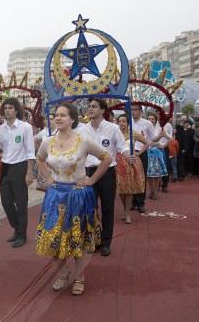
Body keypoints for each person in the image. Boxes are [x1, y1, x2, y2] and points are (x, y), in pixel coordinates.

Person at [35, 102, 111, 296]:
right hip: (55, 196)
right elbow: (40, 159)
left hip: (78, 195)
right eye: (56, 115)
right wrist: (48, 178)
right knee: (53, 237)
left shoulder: (83, 140)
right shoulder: (48, 141)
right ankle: (63, 272)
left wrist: (91, 179)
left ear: (72, 119)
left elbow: (107, 158)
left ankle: (79, 276)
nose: (58, 118)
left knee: (78, 238)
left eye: (63, 115)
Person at [77, 98, 125, 256]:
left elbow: (122, 147)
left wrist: (129, 155)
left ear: (103, 110)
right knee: (90, 208)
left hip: (107, 172)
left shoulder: (113, 128)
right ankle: (94, 239)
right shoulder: (82, 130)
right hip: (88, 172)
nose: (90, 109)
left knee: (107, 208)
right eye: (89, 106)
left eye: (94, 106)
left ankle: (106, 242)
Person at [0, 98, 35, 248]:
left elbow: (30, 151)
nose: (7, 110)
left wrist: (29, 172)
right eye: (5, 108)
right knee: (6, 202)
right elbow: (1, 148)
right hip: (5, 166)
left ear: (16, 110)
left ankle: (21, 234)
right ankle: (17, 227)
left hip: (20, 166)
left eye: (10, 108)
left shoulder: (25, 127)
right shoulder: (1, 129)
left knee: (21, 203)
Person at [115, 113, 145, 224]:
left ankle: (127, 214)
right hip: (118, 164)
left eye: (124, 121)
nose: (121, 123)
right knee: (121, 190)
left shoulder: (133, 133)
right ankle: (125, 209)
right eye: (119, 121)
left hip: (131, 163)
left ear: (128, 123)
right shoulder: (115, 133)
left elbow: (147, 143)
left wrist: (138, 153)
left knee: (129, 190)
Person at [145, 114, 168, 200]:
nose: (151, 120)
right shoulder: (145, 129)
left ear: (155, 120)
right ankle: (151, 190)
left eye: (152, 119)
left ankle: (155, 191)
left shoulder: (159, 129)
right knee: (148, 174)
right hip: (147, 152)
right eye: (149, 118)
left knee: (157, 174)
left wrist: (162, 145)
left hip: (157, 153)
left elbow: (169, 138)